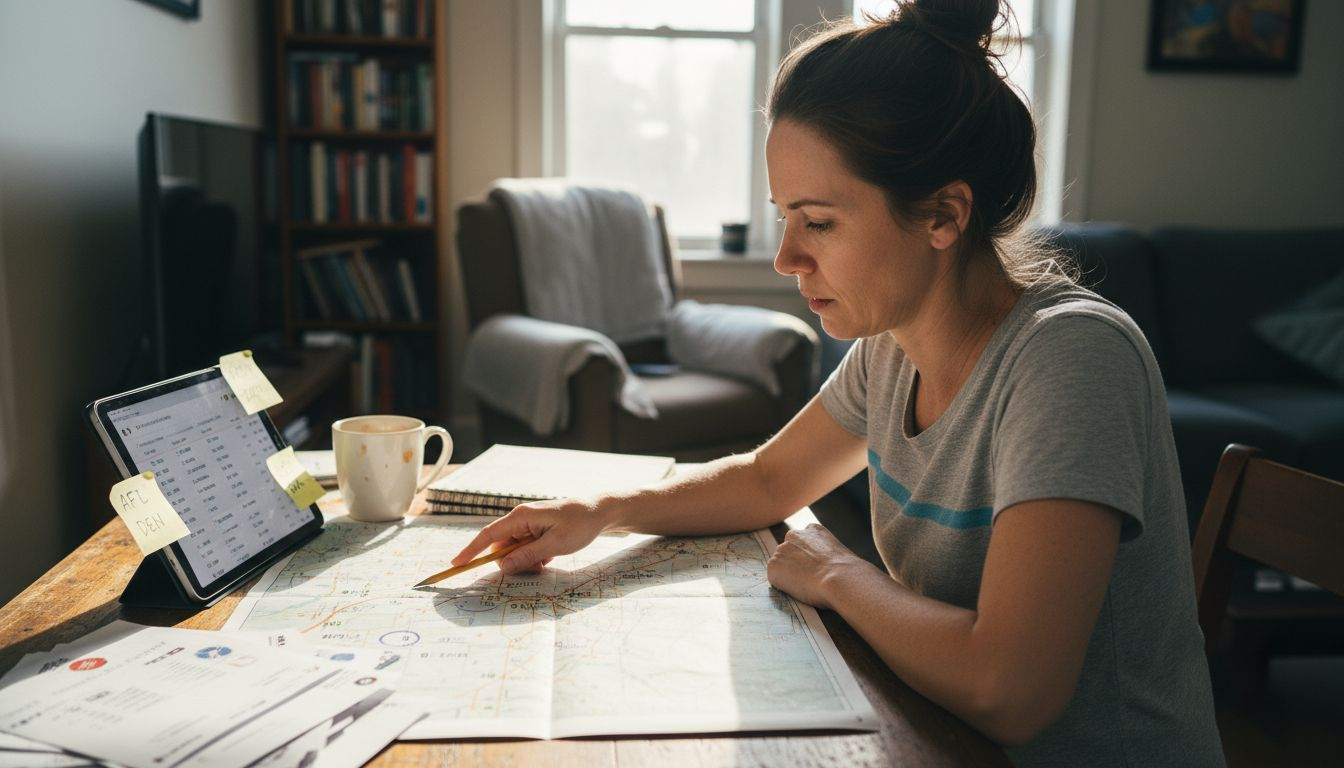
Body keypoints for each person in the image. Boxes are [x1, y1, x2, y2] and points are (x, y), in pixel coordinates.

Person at [452, 0, 1225, 763]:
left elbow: (1010, 689)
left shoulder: (1070, 358)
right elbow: (767, 480)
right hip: (942, 737)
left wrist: (837, 573)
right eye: (783, 215)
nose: (788, 258)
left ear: (944, 216)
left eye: (818, 221)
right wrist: (600, 511)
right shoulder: (892, 346)